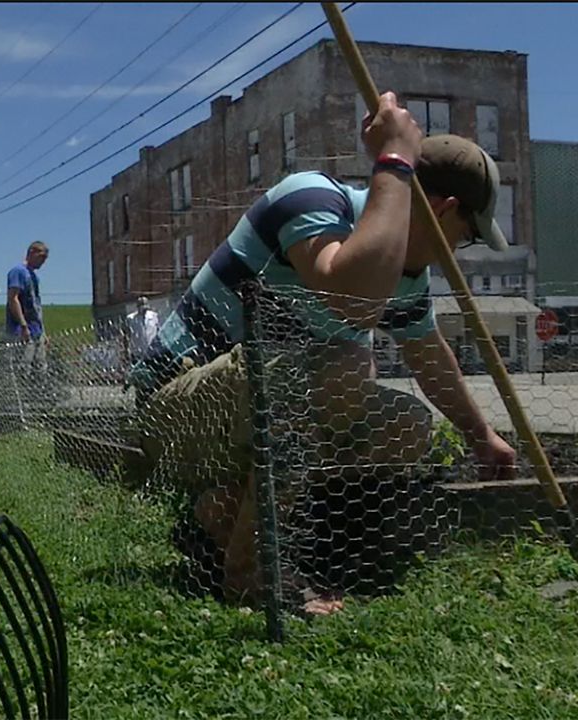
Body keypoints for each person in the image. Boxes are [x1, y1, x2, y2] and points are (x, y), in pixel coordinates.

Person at [129, 92, 518, 613]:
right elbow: (348, 299)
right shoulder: (312, 200)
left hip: (251, 414)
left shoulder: (405, 277)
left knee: (404, 427)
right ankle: (250, 571)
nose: (456, 254)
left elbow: (429, 358)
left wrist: (482, 437)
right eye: (465, 237)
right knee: (348, 364)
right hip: (174, 409)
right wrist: (394, 160)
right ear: (445, 209)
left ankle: (223, 513)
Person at [6, 242, 51, 378]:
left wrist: (43, 332)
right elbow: (13, 299)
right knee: (23, 368)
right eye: (41, 257)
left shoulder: (34, 276)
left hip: (37, 330)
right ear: (31, 253)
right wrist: (23, 325)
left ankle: (39, 397)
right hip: (22, 330)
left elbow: (36, 305)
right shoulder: (18, 272)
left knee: (40, 369)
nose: (43, 262)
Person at [123, 296, 160, 365]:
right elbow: (126, 335)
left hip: (153, 352)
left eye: (145, 306)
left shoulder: (153, 316)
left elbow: (158, 331)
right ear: (138, 307)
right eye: (141, 306)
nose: (143, 309)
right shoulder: (131, 319)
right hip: (137, 353)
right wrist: (126, 350)